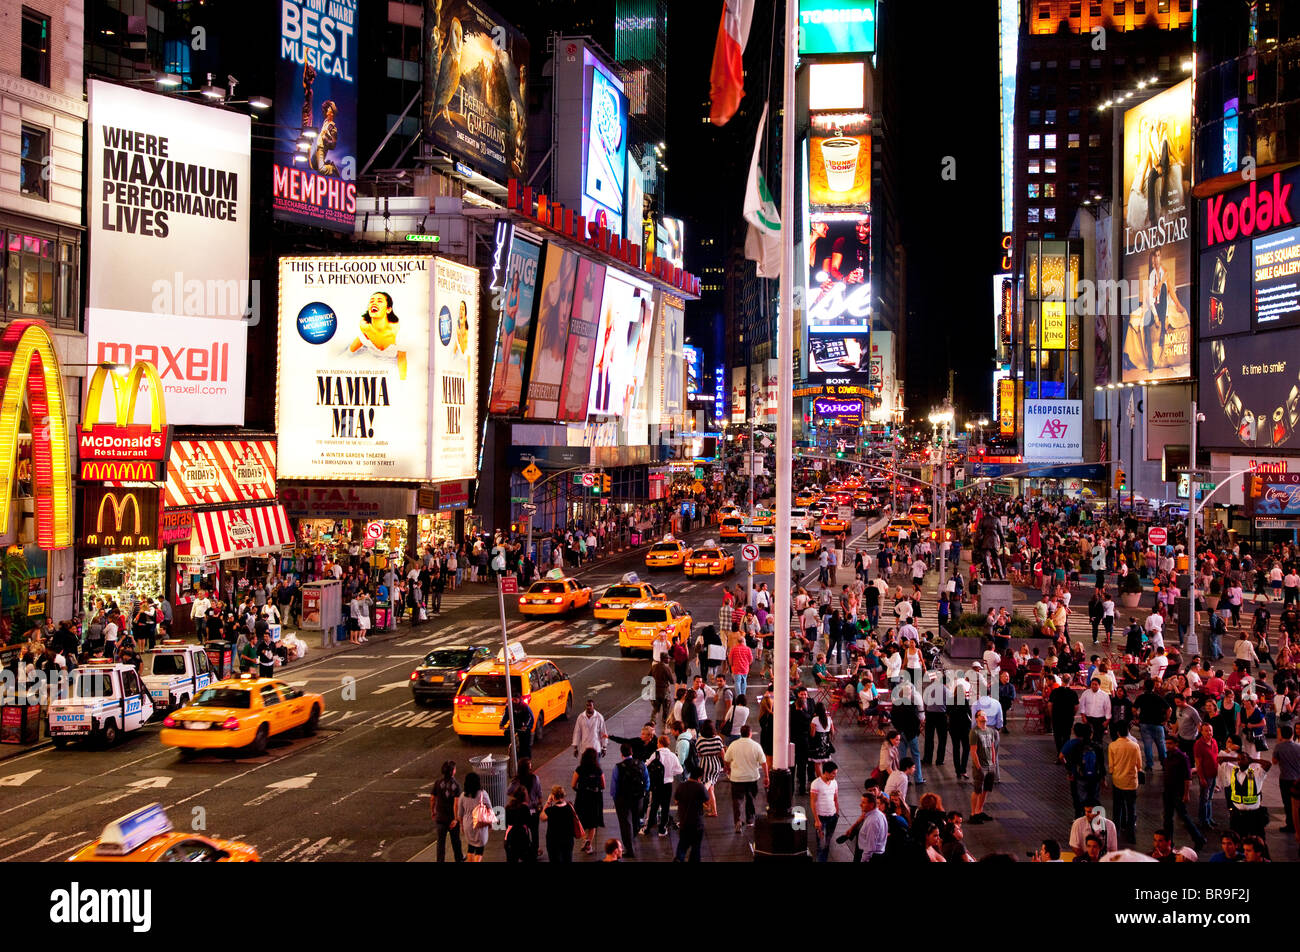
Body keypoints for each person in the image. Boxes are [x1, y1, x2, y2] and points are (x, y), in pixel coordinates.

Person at [1162, 731, 1207, 849]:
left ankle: (1198, 838)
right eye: (1166, 743)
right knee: (1167, 819)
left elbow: (1187, 777)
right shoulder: (1167, 757)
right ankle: (1168, 842)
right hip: (1168, 792)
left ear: (1176, 744)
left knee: (1184, 817)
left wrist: (1186, 794)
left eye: (1170, 743)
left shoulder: (1182, 757)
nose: (1168, 745)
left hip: (1178, 792)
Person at [1218, 747, 1271, 837]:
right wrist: (1237, 758)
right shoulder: (1232, 771)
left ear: (1248, 760)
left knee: (1258, 839)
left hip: (1254, 814)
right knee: (1238, 839)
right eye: (1239, 759)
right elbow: (1220, 759)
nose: (1240, 761)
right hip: (1237, 814)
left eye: (1243, 759)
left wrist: (1252, 760)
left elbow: (1268, 764)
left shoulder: (1256, 773)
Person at [723, 725, 768, 831]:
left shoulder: (734, 745)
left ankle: (738, 821)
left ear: (740, 733)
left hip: (737, 778)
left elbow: (726, 759)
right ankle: (750, 820)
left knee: (737, 800)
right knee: (750, 799)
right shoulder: (756, 746)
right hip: (752, 777)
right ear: (750, 734)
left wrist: (728, 768)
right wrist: (766, 776)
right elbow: (764, 762)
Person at [611, 743, 650, 858]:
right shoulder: (641, 764)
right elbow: (647, 781)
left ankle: (629, 849)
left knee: (625, 823)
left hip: (623, 799)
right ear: (632, 752)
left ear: (621, 754)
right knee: (635, 819)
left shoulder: (618, 767)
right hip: (638, 798)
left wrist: (615, 798)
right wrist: (644, 793)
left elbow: (614, 786)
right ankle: (633, 835)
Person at [1108, 725, 1143, 843]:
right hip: (1131, 782)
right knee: (1131, 809)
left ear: (1118, 733)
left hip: (1117, 781)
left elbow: (1111, 767)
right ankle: (1131, 835)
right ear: (1128, 732)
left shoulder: (1112, 746)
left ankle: (1115, 833)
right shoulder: (1135, 746)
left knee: (1117, 809)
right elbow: (1139, 766)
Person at [647, 735, 683, 836]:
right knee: (665, 806)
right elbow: (680, 770)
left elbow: (647, 765)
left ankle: (648, 827)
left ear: (659, 743)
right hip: (668, 784)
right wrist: (671, 773)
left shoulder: (656, 754)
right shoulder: (672, 755)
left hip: (657, 784)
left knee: (654, 805)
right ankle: (662, 829)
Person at [429, 760, 464, 863]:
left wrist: (433, 811)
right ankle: (459, 859)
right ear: (453, 771)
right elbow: (456, 803)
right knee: (456, 842)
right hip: (451, 820)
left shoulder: (438, 783)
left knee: (440, 844)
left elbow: (432, 798)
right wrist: (455, 818)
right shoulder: (456, 785)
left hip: (440, 818)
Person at [673, 766, 709, 862]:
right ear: (699, 777)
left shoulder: (681, 786)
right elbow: (707, 801)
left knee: (682, 845)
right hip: (697, 823)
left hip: (684, 822)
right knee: (696, 848)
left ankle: (679, 859)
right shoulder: (700, 787)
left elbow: (676, 801)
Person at [968, 710, 999, 824]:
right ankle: (973, 814)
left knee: (985, 789)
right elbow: (973, 751)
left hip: (990, 765)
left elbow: (992, 748)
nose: (984, 716)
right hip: (981, 766)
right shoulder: (974, 732)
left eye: (985, 714)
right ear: (976, 718)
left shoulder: (991, 731)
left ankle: (979, 811)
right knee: (977, 790)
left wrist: (993, 762)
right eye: (981, 715)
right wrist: (978, 766)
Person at [456, 771, 492, 863]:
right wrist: (490, 823)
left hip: (467, 824)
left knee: (470, 847)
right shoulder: (483, 794)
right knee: (480, 849)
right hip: (479, 824)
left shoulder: (463, 796)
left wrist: (462, 826)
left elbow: (460, 814)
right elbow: (490, 809)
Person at [540, 784, 581, 863]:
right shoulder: (569, 807)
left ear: (553, 796)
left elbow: (542, 817)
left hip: (554, 842)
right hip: (568, 840)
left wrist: (548, 802)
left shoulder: (551, 810)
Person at [810, 761, 841, 862]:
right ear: (826, 772)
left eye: (836, 773)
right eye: (833, 773)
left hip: (833, 817)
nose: (834, 776)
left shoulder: (834, 782)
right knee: (821, 844)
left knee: (827, 842)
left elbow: (835, 799)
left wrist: (837, 813)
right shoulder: (816, 784)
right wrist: (817, 820)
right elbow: (813, 802)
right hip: (821, 818)